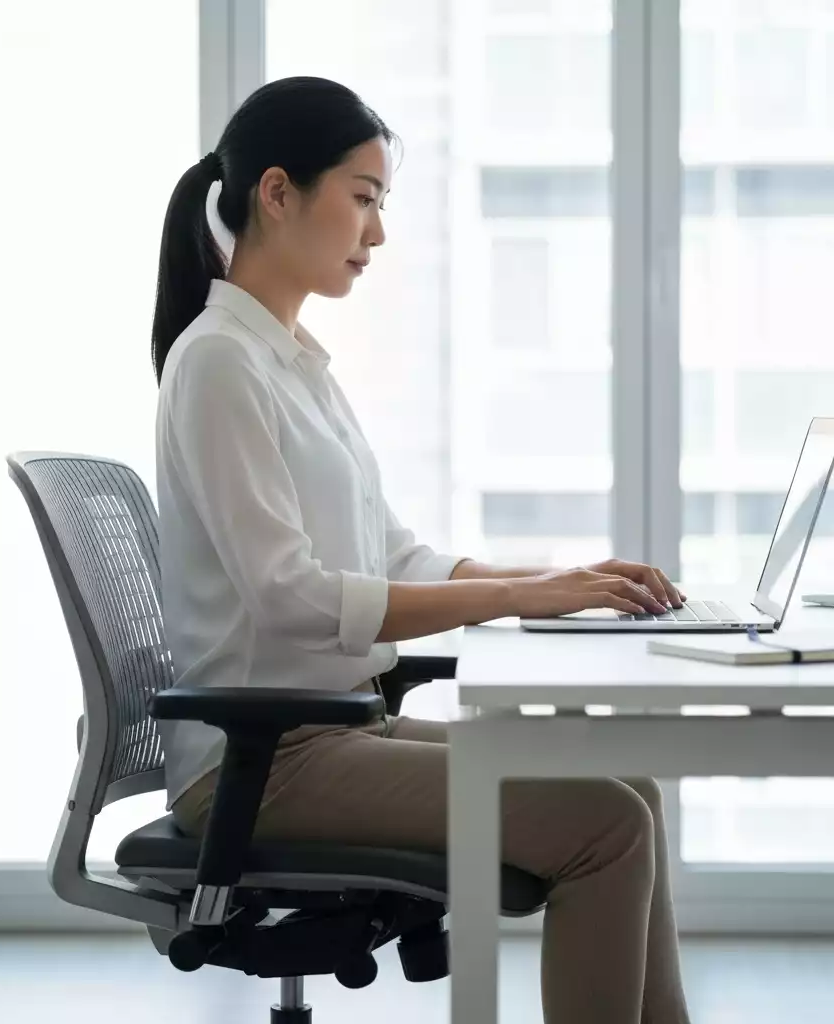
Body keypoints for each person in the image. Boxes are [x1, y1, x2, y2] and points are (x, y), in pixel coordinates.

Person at [151, 75, 693, 1024]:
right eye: (362, 198)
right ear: (277, 193)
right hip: (265, 764)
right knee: (604, 824)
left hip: (326, 733)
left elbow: (393, 556)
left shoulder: (292, 363)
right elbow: (292, 598)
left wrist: (556, 582)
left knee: (629, 787)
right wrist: (521, 598)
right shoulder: (218, 364)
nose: (378, 231)